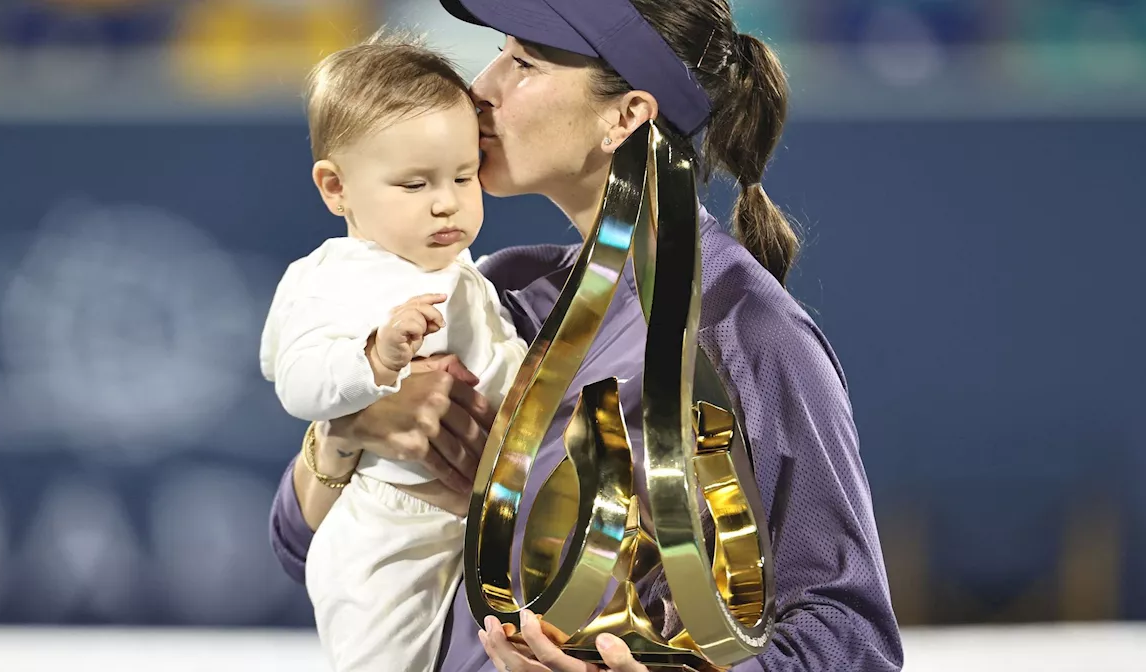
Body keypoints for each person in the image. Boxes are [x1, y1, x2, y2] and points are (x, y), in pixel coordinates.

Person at [268, 0, 905, 670]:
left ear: (625, 116)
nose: (479, 89)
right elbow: (297, 544)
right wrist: (346, 435)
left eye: (522, 62)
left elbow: (851, 638)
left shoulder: (751, 329)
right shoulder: (505, 291)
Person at [259, 33, 528, 672]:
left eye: (464, 176)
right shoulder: (333, 276)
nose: (446, 201)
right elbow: (294, 379)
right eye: (414, 184)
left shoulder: (470, 274)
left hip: (470, 529)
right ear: (336, 188)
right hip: (388, 532)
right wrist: (374, 361)